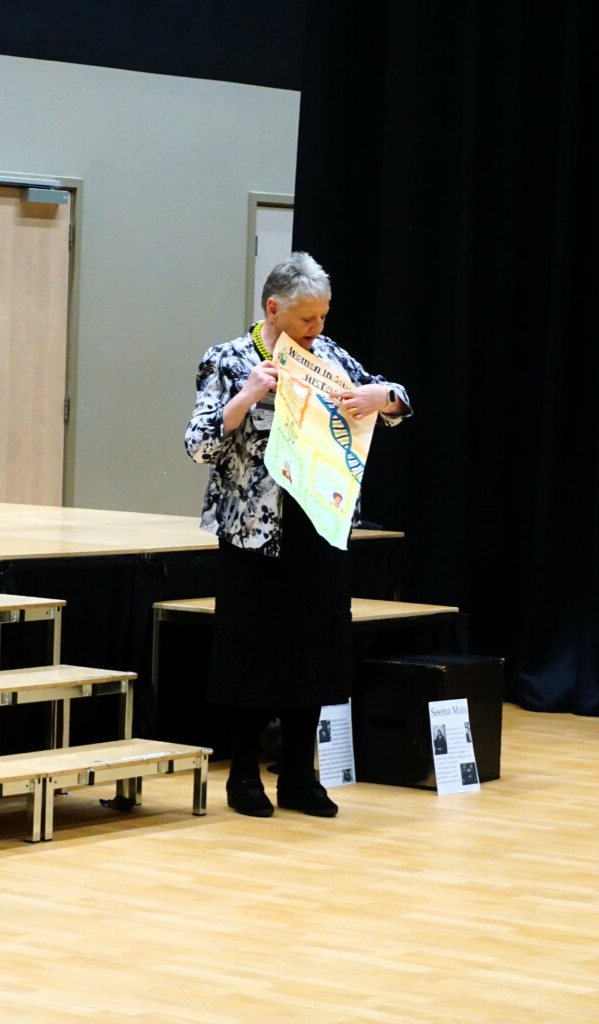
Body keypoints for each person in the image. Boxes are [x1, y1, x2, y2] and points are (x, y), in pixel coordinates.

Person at [185, 252, 410, 818]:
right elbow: (197, 445)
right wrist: (245, 397)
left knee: (314, 651)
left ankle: (299, 776)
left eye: (323, 316)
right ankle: (242, 776)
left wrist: (383, 397)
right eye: (308, 318)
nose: (318, 327)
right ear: (273, 309)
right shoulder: (228, 359)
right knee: (250, 652)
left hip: (321, 528)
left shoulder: (329, 357)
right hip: (253, 534)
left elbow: (397, 401)